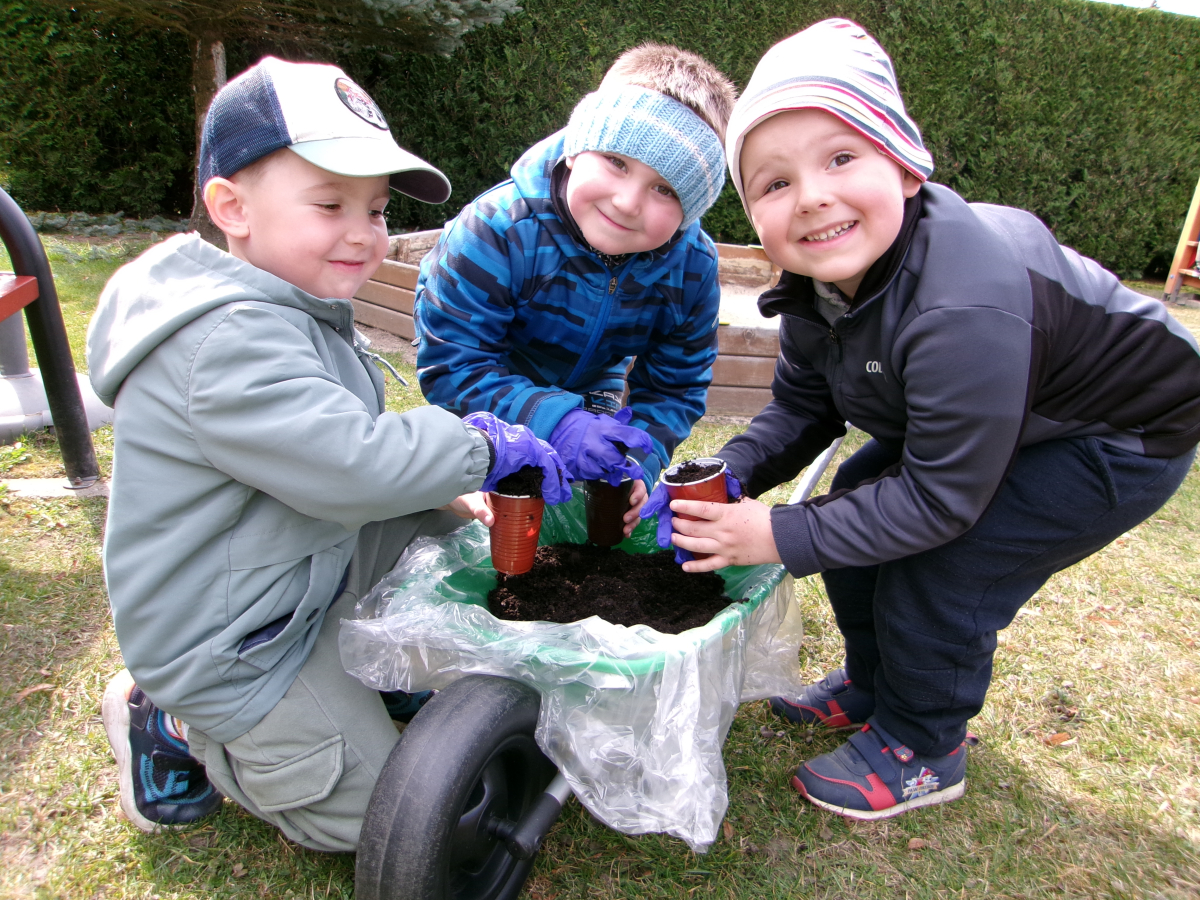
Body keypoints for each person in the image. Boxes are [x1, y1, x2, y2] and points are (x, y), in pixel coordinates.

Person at [654, 19, 1200, 820]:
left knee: (946, 568)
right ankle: (875, 685)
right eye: (773, 183)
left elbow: (942, 502)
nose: (812, 196)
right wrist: (724, 474)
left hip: (1119, 433)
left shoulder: (964, 303)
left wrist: (774, 533)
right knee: (854, 505)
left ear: (906, 167)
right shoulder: (817, 288)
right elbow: (804, 408)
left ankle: (924, 746)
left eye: (842, 158)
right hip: (1009, 420)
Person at [89, 57, 569, 850]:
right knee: (393, 820)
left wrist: (445, 489)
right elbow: (350, 463)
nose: (363, 231)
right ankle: (170, 722)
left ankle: (365, 666)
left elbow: (336, 450)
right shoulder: (225, 339)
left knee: (448, 532)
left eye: (376, 209)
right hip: (235, 645)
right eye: (329, 204)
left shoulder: (293, 307)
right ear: (232, 208)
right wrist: (481, 443)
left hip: (291, 572)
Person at [414, 44, 737, 533]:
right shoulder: (497, 228)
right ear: (576, 146)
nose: (627, 202)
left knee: (590, 516)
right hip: (483, 394)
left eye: (665, 189)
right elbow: (454, 366)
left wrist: (641, 458)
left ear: (691, 210)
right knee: (488, 516)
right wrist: (555, 422)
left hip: (593, 389)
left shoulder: (692, 268)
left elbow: (675, 386)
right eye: (616, 161)